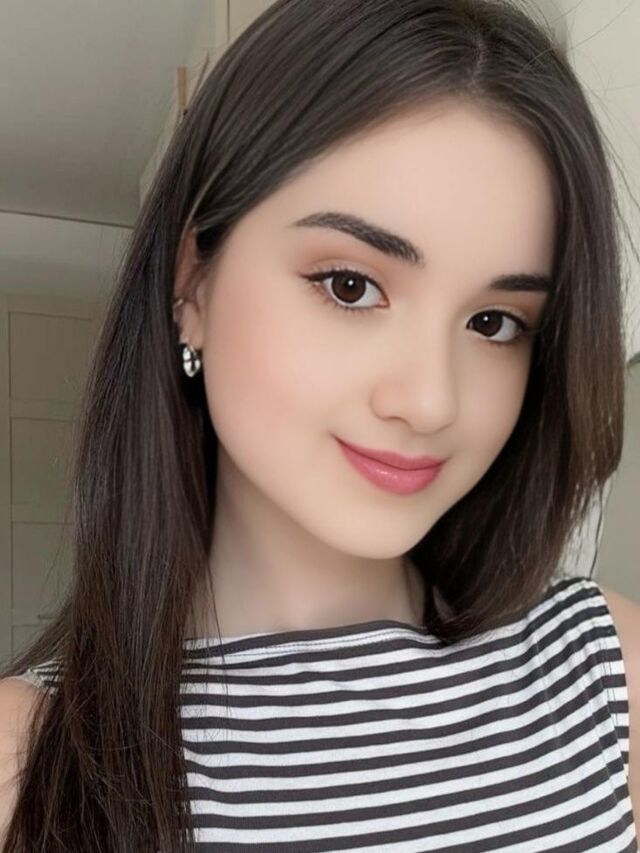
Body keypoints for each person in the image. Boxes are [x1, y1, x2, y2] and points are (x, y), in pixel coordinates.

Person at [1, 0, 638, 849]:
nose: (431, 401)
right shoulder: (29, 759)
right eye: (350, 285)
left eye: (494, 323)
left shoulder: (605, 671)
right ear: (193, 283)